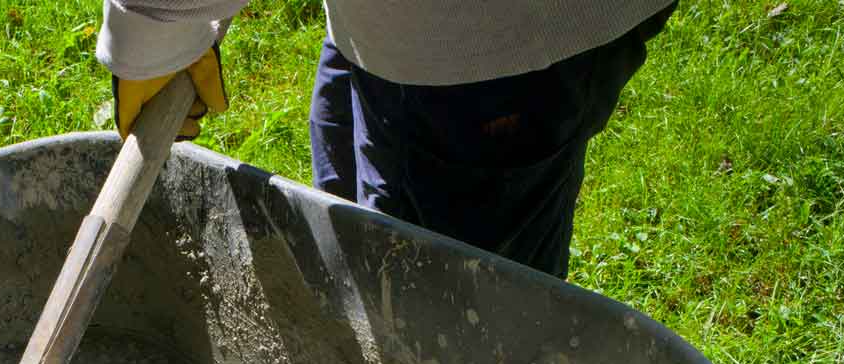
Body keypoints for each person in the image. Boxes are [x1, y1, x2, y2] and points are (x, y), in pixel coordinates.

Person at [98, 1, 677, 279]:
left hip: (490, 39)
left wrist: (150, 34)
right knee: (359, 241)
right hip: (400, 23)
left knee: (463, 311)